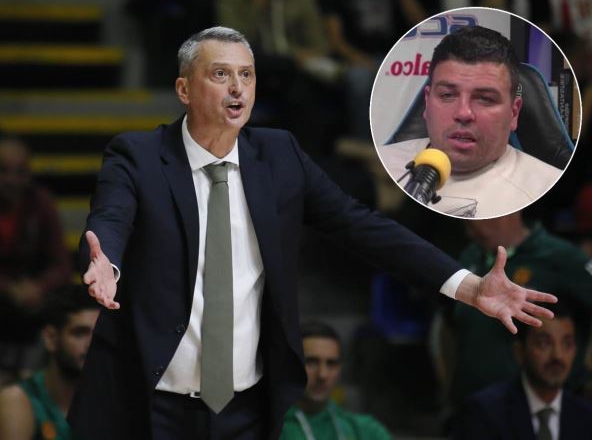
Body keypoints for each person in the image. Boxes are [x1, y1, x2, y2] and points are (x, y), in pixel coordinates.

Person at [69, 26, 556, 440]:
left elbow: (361, 226)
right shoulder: (138, 155)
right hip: (148, 406)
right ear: (183, 89)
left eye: (246, 75)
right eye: (220, 75)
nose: (237, 88)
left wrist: (468, 287)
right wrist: (106, 262)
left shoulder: (279, 156)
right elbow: (112, 216)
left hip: (243, 411)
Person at [377, 25, 563, 218]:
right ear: (427, 102)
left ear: (513, 113)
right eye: (447, 95)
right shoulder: (382, 167)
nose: (463, 113)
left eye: (485, 99)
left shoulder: (545, 189)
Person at [445, 211, 592, 408]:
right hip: (470, 403)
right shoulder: (469, 256)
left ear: (505, 210)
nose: (469, 230)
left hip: (535, 408)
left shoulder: (564, 258)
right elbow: (448, 324)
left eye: (474, 216)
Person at [456, 304, 592, 439]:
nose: (558, 356)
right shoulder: (485, 412)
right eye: (544, 343)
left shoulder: (586, 416)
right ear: (519, 352)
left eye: (567, 344)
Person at [0, 137, 72, 384]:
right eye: (3, 170)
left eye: (20, 171)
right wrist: (9, 288)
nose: (11, 179)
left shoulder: (40, 202)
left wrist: (38, 287)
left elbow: (61, 265)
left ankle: (36, 382)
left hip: (33, 300)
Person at [0, 284, 100, 440]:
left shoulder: (109, 398)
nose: (91, 344)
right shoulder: (19, 400)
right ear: (50, 338)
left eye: (98, 335)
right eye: (80, 333)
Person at [280, 322, 391, 440]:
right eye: (311, 362)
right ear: (291, 366)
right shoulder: (274, 430)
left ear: (340, 369)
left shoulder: (365, 430)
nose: (322, 375)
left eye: (331, 363)